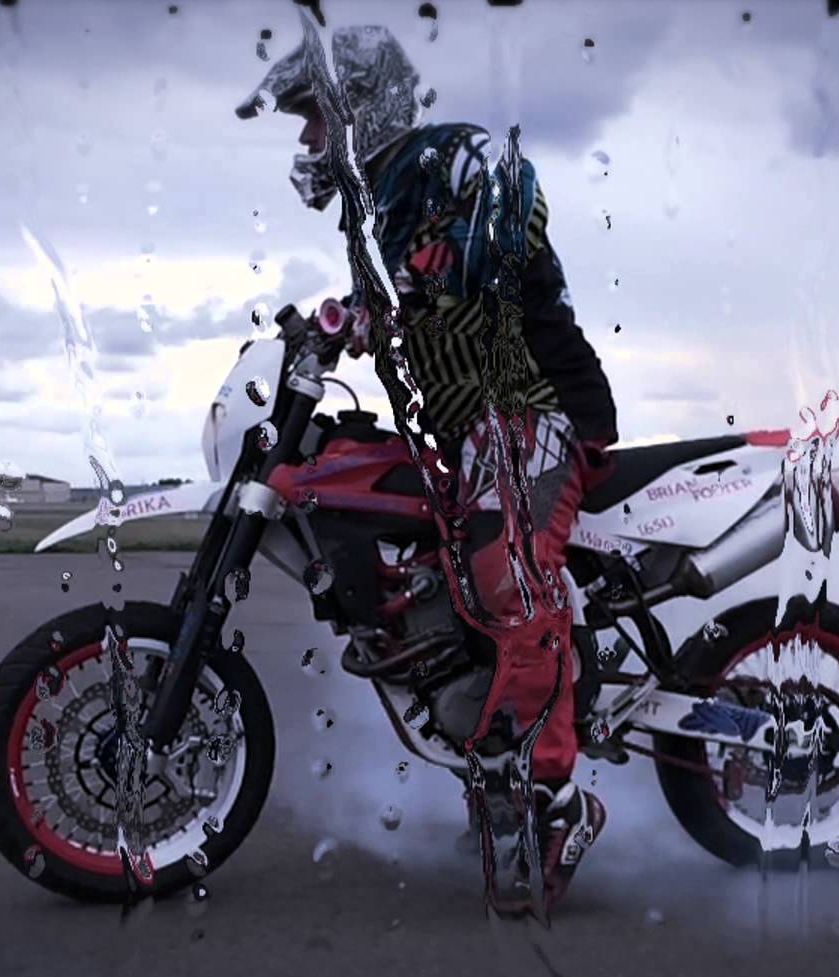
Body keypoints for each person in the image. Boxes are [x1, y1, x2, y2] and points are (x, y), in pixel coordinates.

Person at [237, 26, 619, 917]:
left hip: (537, 407)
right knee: (439, 580)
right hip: (472, 432)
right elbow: (398, 306)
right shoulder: (370, 219)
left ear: (361, 107)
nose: (307, 140)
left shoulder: (448, 157)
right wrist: (342, 327)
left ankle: (557, 798)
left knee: (505, 576)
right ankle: (494, 754)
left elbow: (513, 191)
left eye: (315, 118)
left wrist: (450, 267)